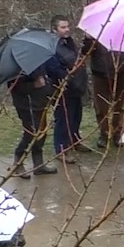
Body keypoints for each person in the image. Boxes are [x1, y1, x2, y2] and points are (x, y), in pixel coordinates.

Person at [8, 57, 65, 178]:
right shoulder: (16, 64)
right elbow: (14, 87)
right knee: (30, 134)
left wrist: (49, 87)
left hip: (40, 102)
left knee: (41, 133)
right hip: (26, 105)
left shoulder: (38, 58)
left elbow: (43, 77)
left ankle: (38, 164)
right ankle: (18, 163)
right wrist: (34, 85)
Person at [50, 15, 91, 163]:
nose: (67, 29)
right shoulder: (51, 45)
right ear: (54, 29)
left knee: (75, 116)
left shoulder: (69, 41)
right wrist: (67, 75)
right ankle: (60, 150)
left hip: (75, 87)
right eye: (63, 27)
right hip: (61, 88)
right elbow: (52, 68)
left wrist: (87, 41)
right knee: (63, 119)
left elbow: (79, 55)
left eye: (67, 26)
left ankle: (74, 140)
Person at [83, 36, 124, 149]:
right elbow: (85, 52)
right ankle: (104, 134)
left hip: (121, 75)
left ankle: (117, 134)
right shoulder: (97, 33)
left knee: (119, 107)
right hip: (100, 75)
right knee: (101, 107)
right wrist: (88, 40)